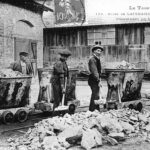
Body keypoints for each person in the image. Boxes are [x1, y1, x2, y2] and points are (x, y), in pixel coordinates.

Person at [88, 44, 104, 111]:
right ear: (94, 51)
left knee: (96, 95)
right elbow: (94, 71)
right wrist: (98, 80)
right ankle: (92, 110)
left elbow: (98, 70)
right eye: (98, 50)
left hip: (96, 79)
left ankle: (96, 109)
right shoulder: (92, 60)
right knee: (95, 94)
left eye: (100, 51)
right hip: (93, 79)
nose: (99, 52)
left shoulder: (97, 59)